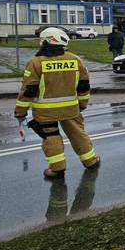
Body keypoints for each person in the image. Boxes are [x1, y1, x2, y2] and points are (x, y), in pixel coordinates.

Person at [14, 27, 100, 179]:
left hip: (45, 112)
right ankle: (91, 161)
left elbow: (28, 90)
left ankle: (57, 169)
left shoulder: (35, 63)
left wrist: (20, 112)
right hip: (71, 109)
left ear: (45, 41)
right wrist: (83, 104)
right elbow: (84, 86)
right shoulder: (75, 59)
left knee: (51, 138)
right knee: (78, 135)